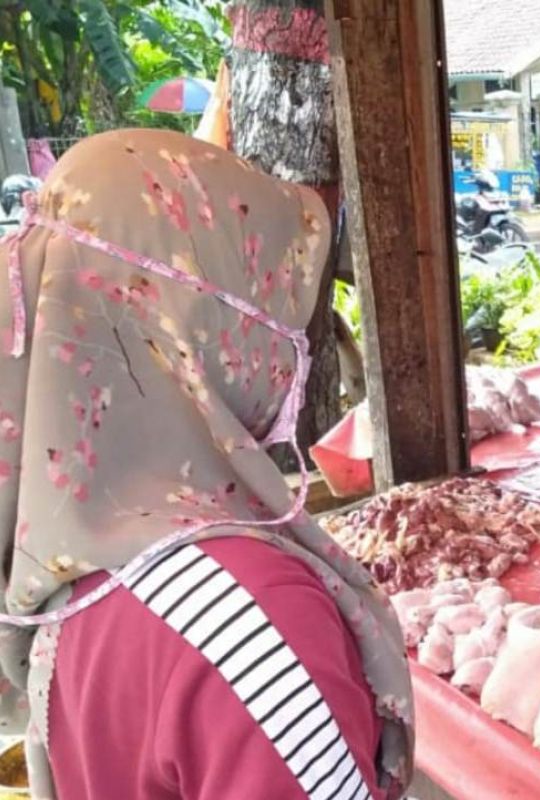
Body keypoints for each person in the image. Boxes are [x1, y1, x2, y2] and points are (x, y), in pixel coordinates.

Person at [0, 129, 413, 798]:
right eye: (276, 303)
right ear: (203, 325)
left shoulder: (71, 562)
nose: (293, 343)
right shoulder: (252, 617)